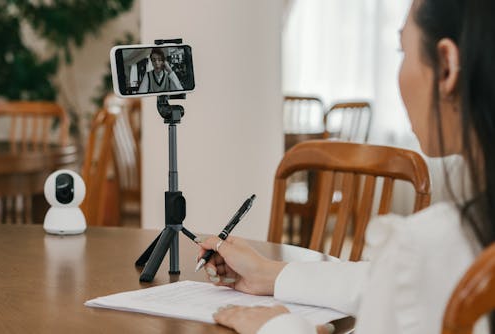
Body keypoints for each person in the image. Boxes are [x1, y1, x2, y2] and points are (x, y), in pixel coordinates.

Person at [197, 0, 495, 333]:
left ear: (446, 67)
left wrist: (281, 328)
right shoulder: (453, 251)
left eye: (402, 52)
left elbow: (406, 280)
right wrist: (270, 273)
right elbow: (384, 282)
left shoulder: (427, 246)